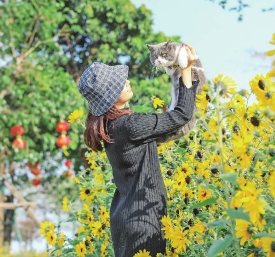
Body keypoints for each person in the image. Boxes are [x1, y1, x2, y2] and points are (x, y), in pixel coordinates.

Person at [78, 44, 199, 257]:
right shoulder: (131, 125)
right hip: (144, 219)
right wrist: (186, 69)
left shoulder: (110, 127)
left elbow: (168, 129)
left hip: (123, 219)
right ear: (110, 95)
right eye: (119, 83)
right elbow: (181, 115)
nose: (127, 82)